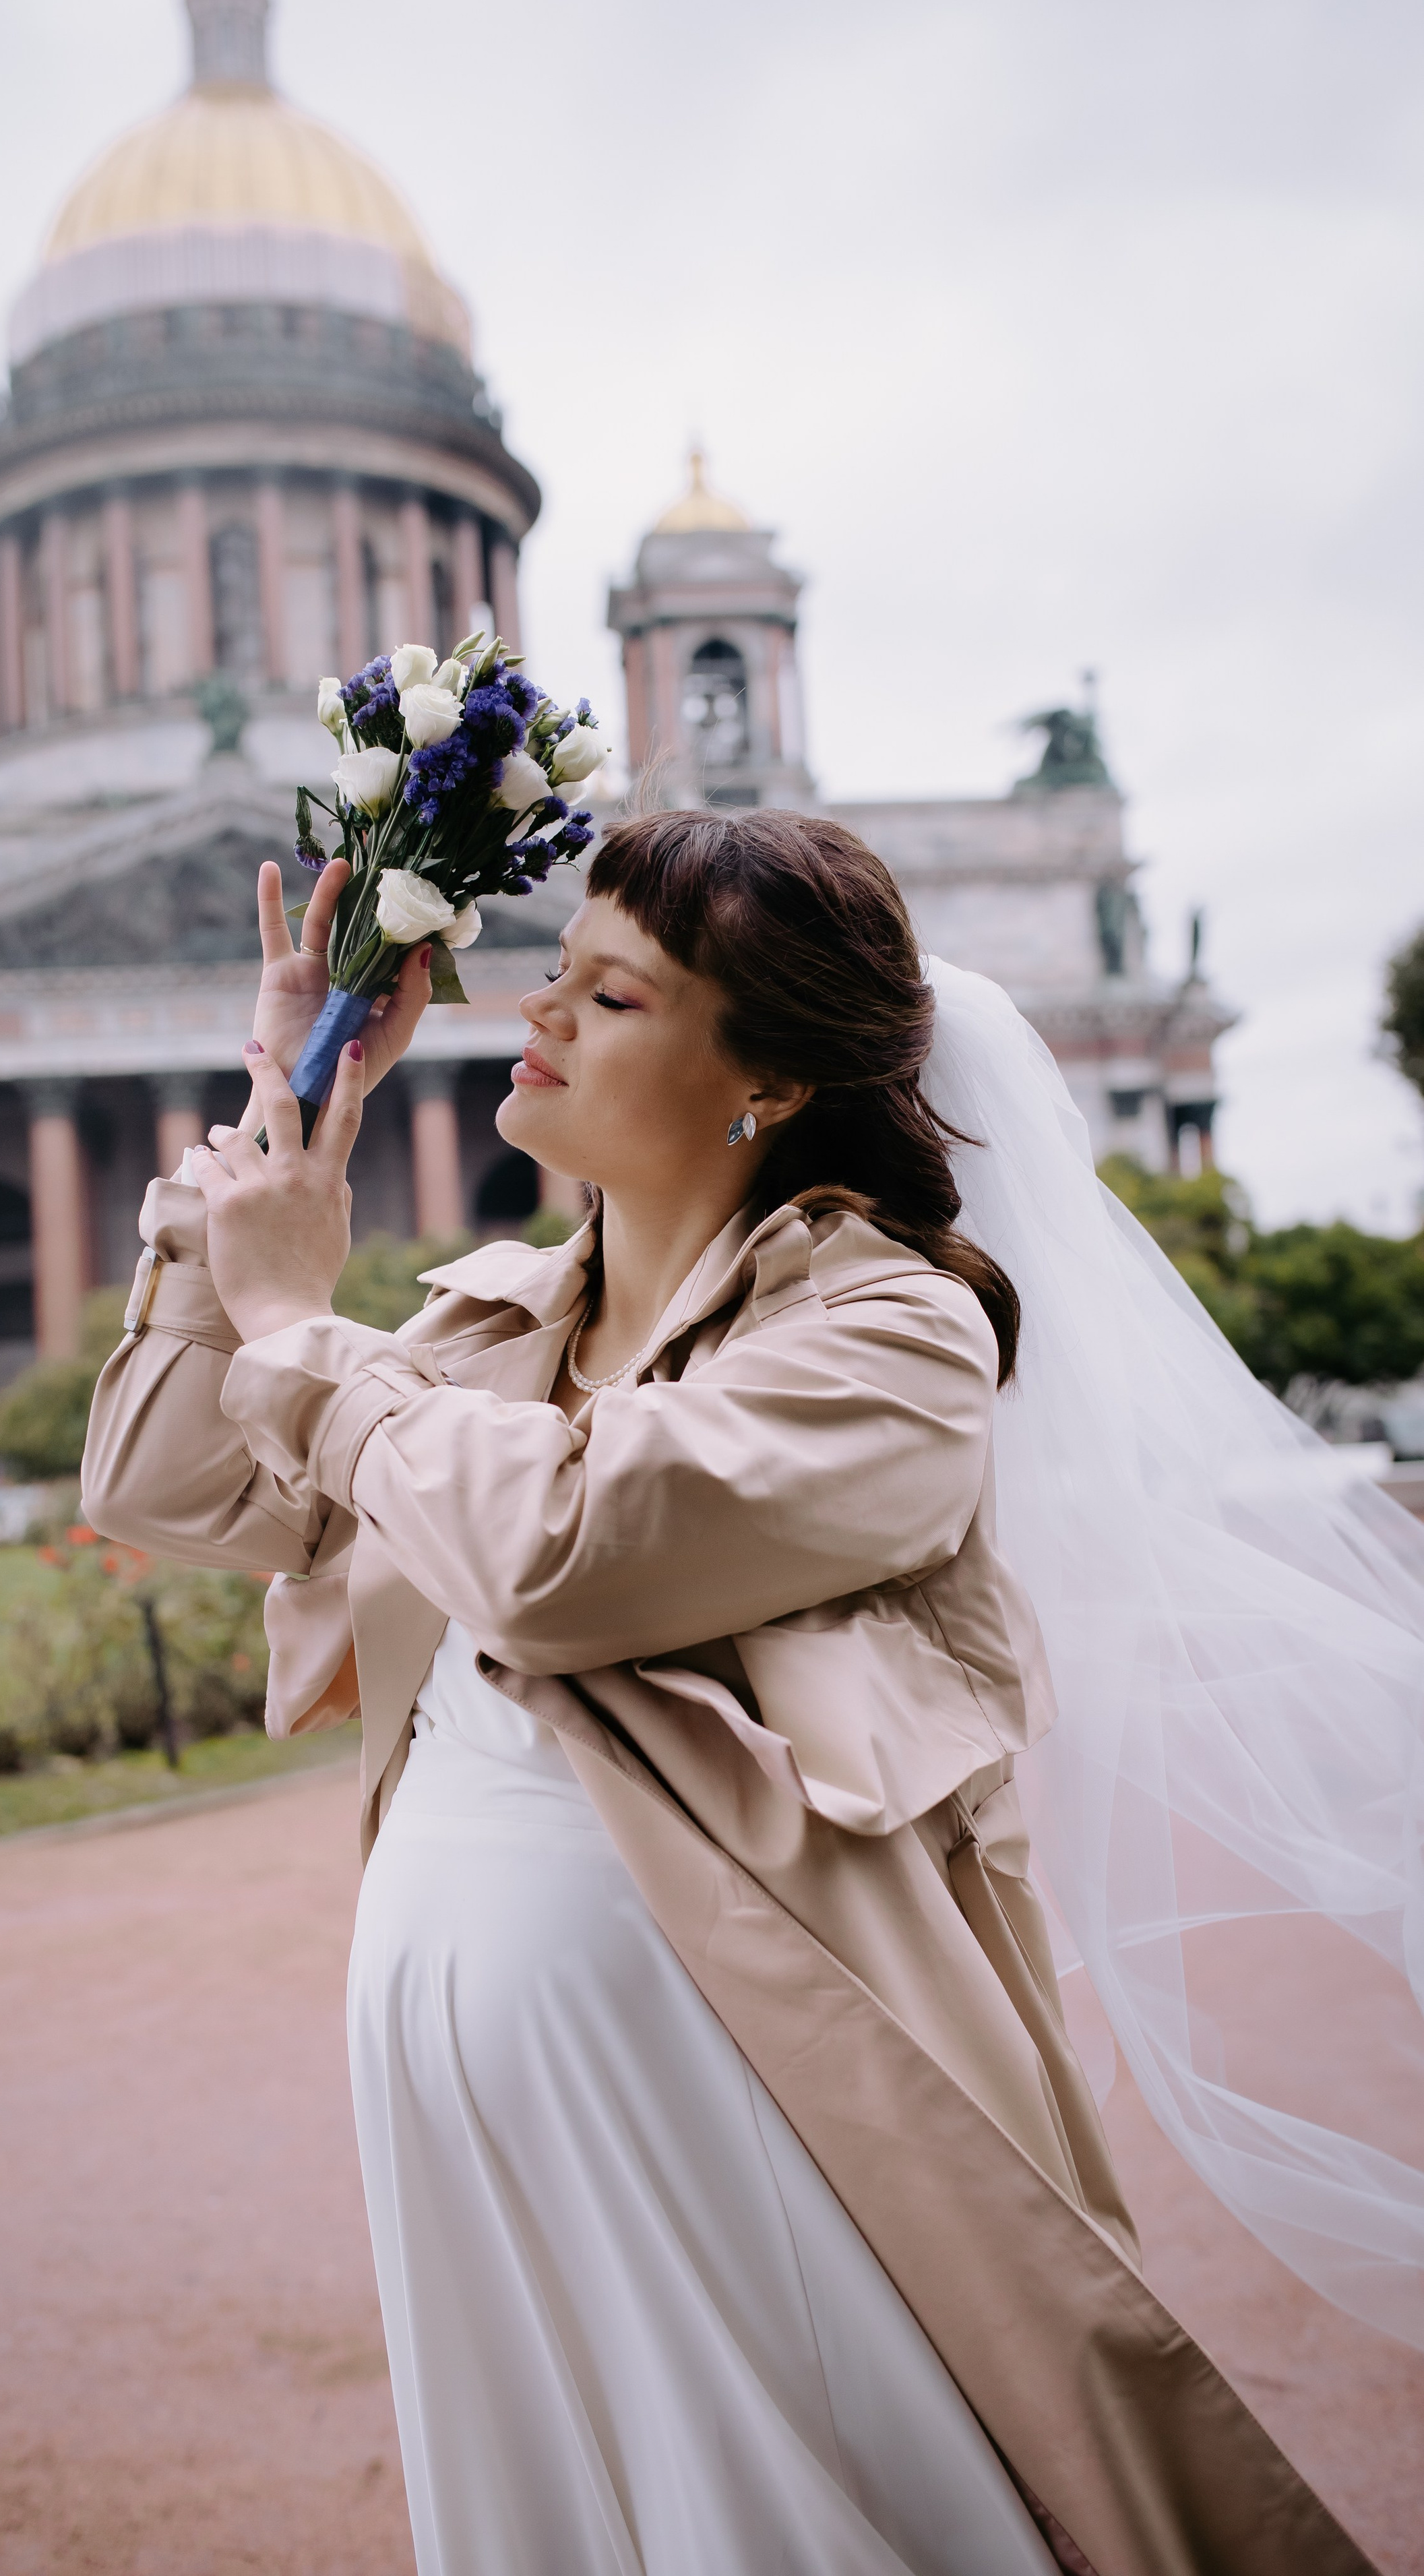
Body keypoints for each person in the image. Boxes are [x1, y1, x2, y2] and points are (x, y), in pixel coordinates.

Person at [84, 809, 1390, 2576]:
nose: (537, 1013)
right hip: (488, 2144)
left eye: (609, 994)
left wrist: (304, 1329)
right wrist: (289, 1117)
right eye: (554, 974)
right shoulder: (490, 1330)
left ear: (761, 1079)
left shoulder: (895, 1339)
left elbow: (563, 1555)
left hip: (751, 2113)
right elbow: (163, 1487)